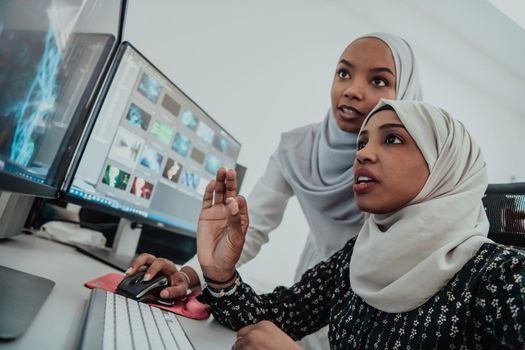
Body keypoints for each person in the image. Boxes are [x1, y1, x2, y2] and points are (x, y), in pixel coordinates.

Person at [126, 32, 423, 348]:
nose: (351, 90)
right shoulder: (297, 148)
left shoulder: (409, 172)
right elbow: (248, 229)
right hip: (309, 296)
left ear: (403, 95)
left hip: (369, 312)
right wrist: (189, 275)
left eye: (378, 81)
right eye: (343, 73)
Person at [196, 99, 525, 349]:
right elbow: (273, 317)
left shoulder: (502, 278)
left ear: (444, 164)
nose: (363, 155)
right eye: (362, 142)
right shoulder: (355, 257)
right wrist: (221, 274)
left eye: (392, 139)